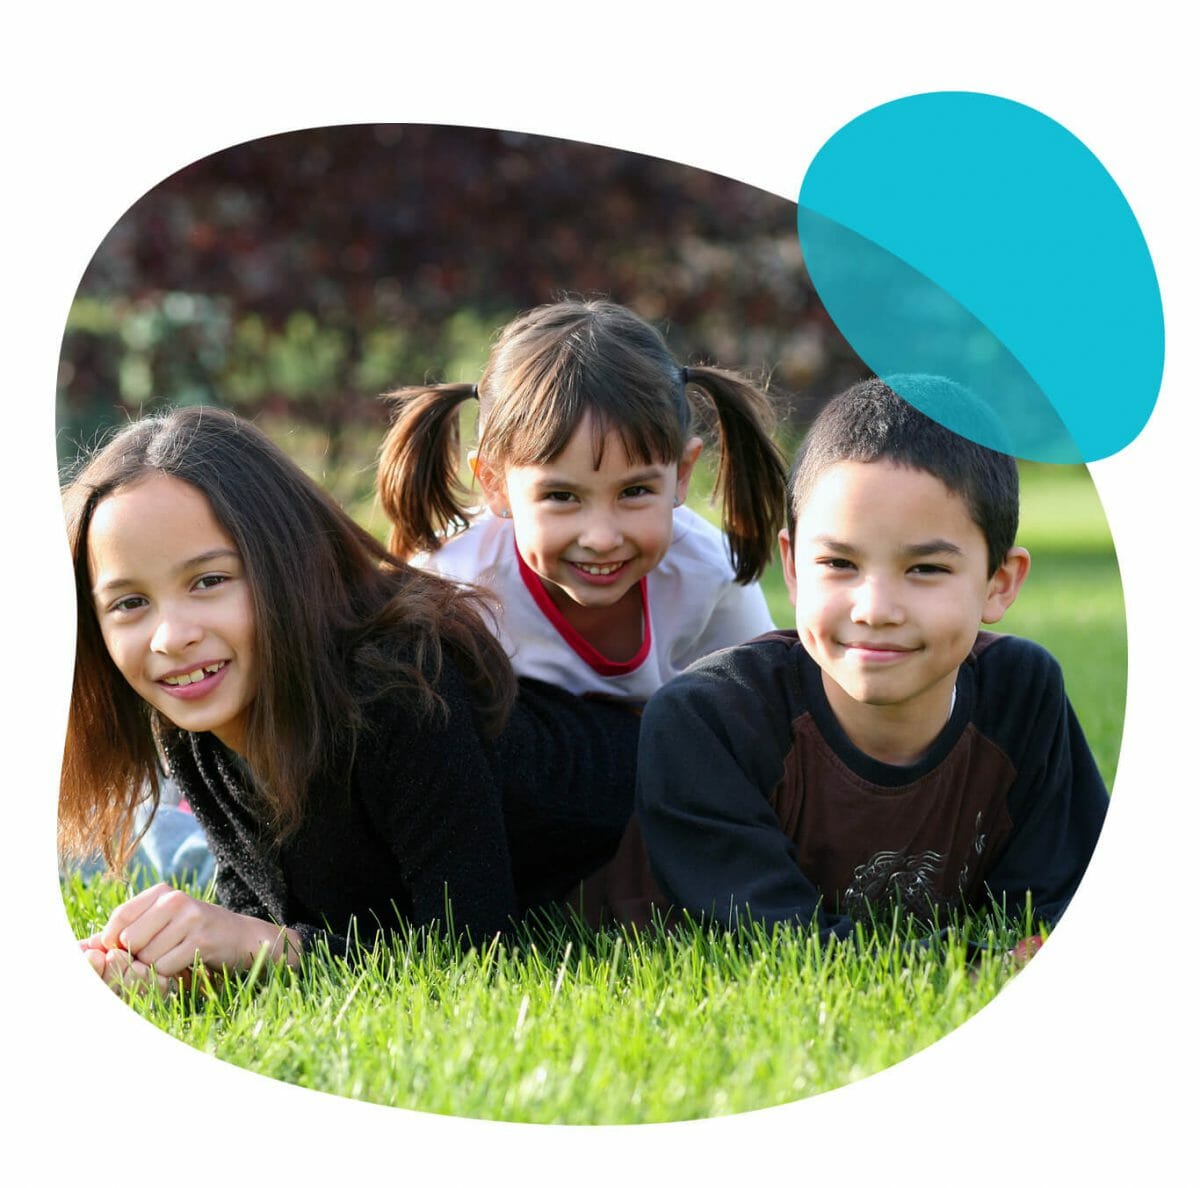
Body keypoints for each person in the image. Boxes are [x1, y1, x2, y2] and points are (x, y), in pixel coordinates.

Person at [60, 406, 640, 993]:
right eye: (129, 603)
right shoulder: (193, 731)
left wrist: (264, 945)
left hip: (655, 809)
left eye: (209, 581)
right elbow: (277, 924)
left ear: (287, 564)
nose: (171, 637)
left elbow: (473, 954)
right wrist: (182, 972)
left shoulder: (399, 691)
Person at [631, 376, 1109, 945]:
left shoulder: (1022, 694)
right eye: (838, 563)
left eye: (926, 569)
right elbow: (776, 939)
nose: (875, 609)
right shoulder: (711, 723)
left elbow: (1058, 904)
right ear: (792, 565)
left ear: (999, 583)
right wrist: (971, 962)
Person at [376, 299, 787, 701]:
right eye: (561, 496)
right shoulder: (454, 586)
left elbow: (763, 718)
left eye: (634, 491)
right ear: (494, 484)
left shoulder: (711, 575)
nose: (602, 538)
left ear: (681, 474)